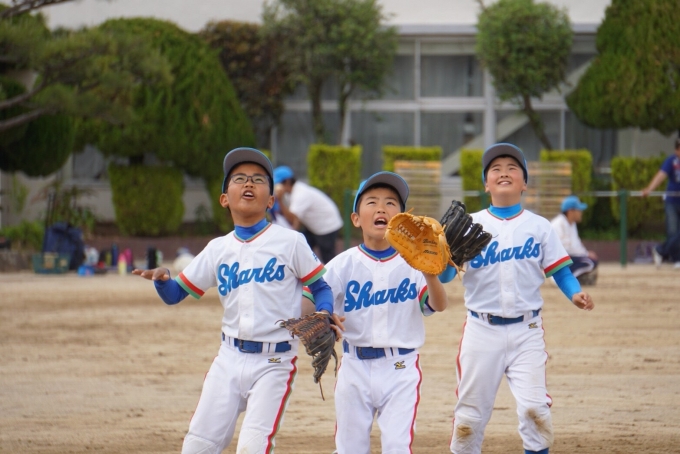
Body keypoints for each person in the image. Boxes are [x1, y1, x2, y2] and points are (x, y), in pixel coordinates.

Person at [132, 147, 336, 454]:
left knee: (252, 448)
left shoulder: (291, 242)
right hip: (227, 360)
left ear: (271, 200)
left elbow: (321, 287)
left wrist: (324, 312)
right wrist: (163, 281)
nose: (249, 183)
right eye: (239, 178)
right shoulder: (218, 249)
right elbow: (175, 294)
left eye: (258, 179)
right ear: (224, 198)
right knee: (198, 446)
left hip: (274, 363)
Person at [442, 143, 594, 454]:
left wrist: (575, 292)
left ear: (524, 183)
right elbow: (445, 277)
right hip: (481, 331)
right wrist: (439, 256)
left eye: (513, 168)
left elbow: (560, 271)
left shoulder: (539, 226)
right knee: (469, 418)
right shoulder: (468, 226)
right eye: (495, 169)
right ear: (486, 184)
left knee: (535, 410)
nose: (504, 173)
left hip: (527, 331)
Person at [309, 171, 449, 453]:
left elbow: (438, 304)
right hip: (354, 366)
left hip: (400, 367)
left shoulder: (414, 263)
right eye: (372, 202)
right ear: (356, 218)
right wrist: (323, 315)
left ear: (402, 220)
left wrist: (431, 273)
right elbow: (313, 303)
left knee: (398, 446)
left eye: (391, 203)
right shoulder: (342, 264)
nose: (381, 208)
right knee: (350, 448)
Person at [273, 165, 343, 263]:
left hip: (327, 225)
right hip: (313, 226)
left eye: (279, 183)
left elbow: (292, 219)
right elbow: (295, 219)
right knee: (301, 250)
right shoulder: (290, 193)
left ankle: (332, 273)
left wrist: (279, 200)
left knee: (328, 259)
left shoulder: (300, 194)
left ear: (287, 181)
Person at [641, 137, 680, 268]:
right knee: (673, 231)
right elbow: (661, 175)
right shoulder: (671, 161)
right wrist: (649, 189)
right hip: (672, 201)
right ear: (676, 150)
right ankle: (676, 259)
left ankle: (660, 250)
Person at [550, 195, 599, 285]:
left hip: (568, 258)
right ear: (570, 212)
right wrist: (586, 254)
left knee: (591, 261)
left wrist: (586, 253)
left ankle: (573, 278)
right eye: (578, 210)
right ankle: (564, 279)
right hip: (558, 262)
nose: (581, 213)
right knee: (589, 263)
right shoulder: (558, 224)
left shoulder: (571, 224)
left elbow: (576, 244)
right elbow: (566, 248)